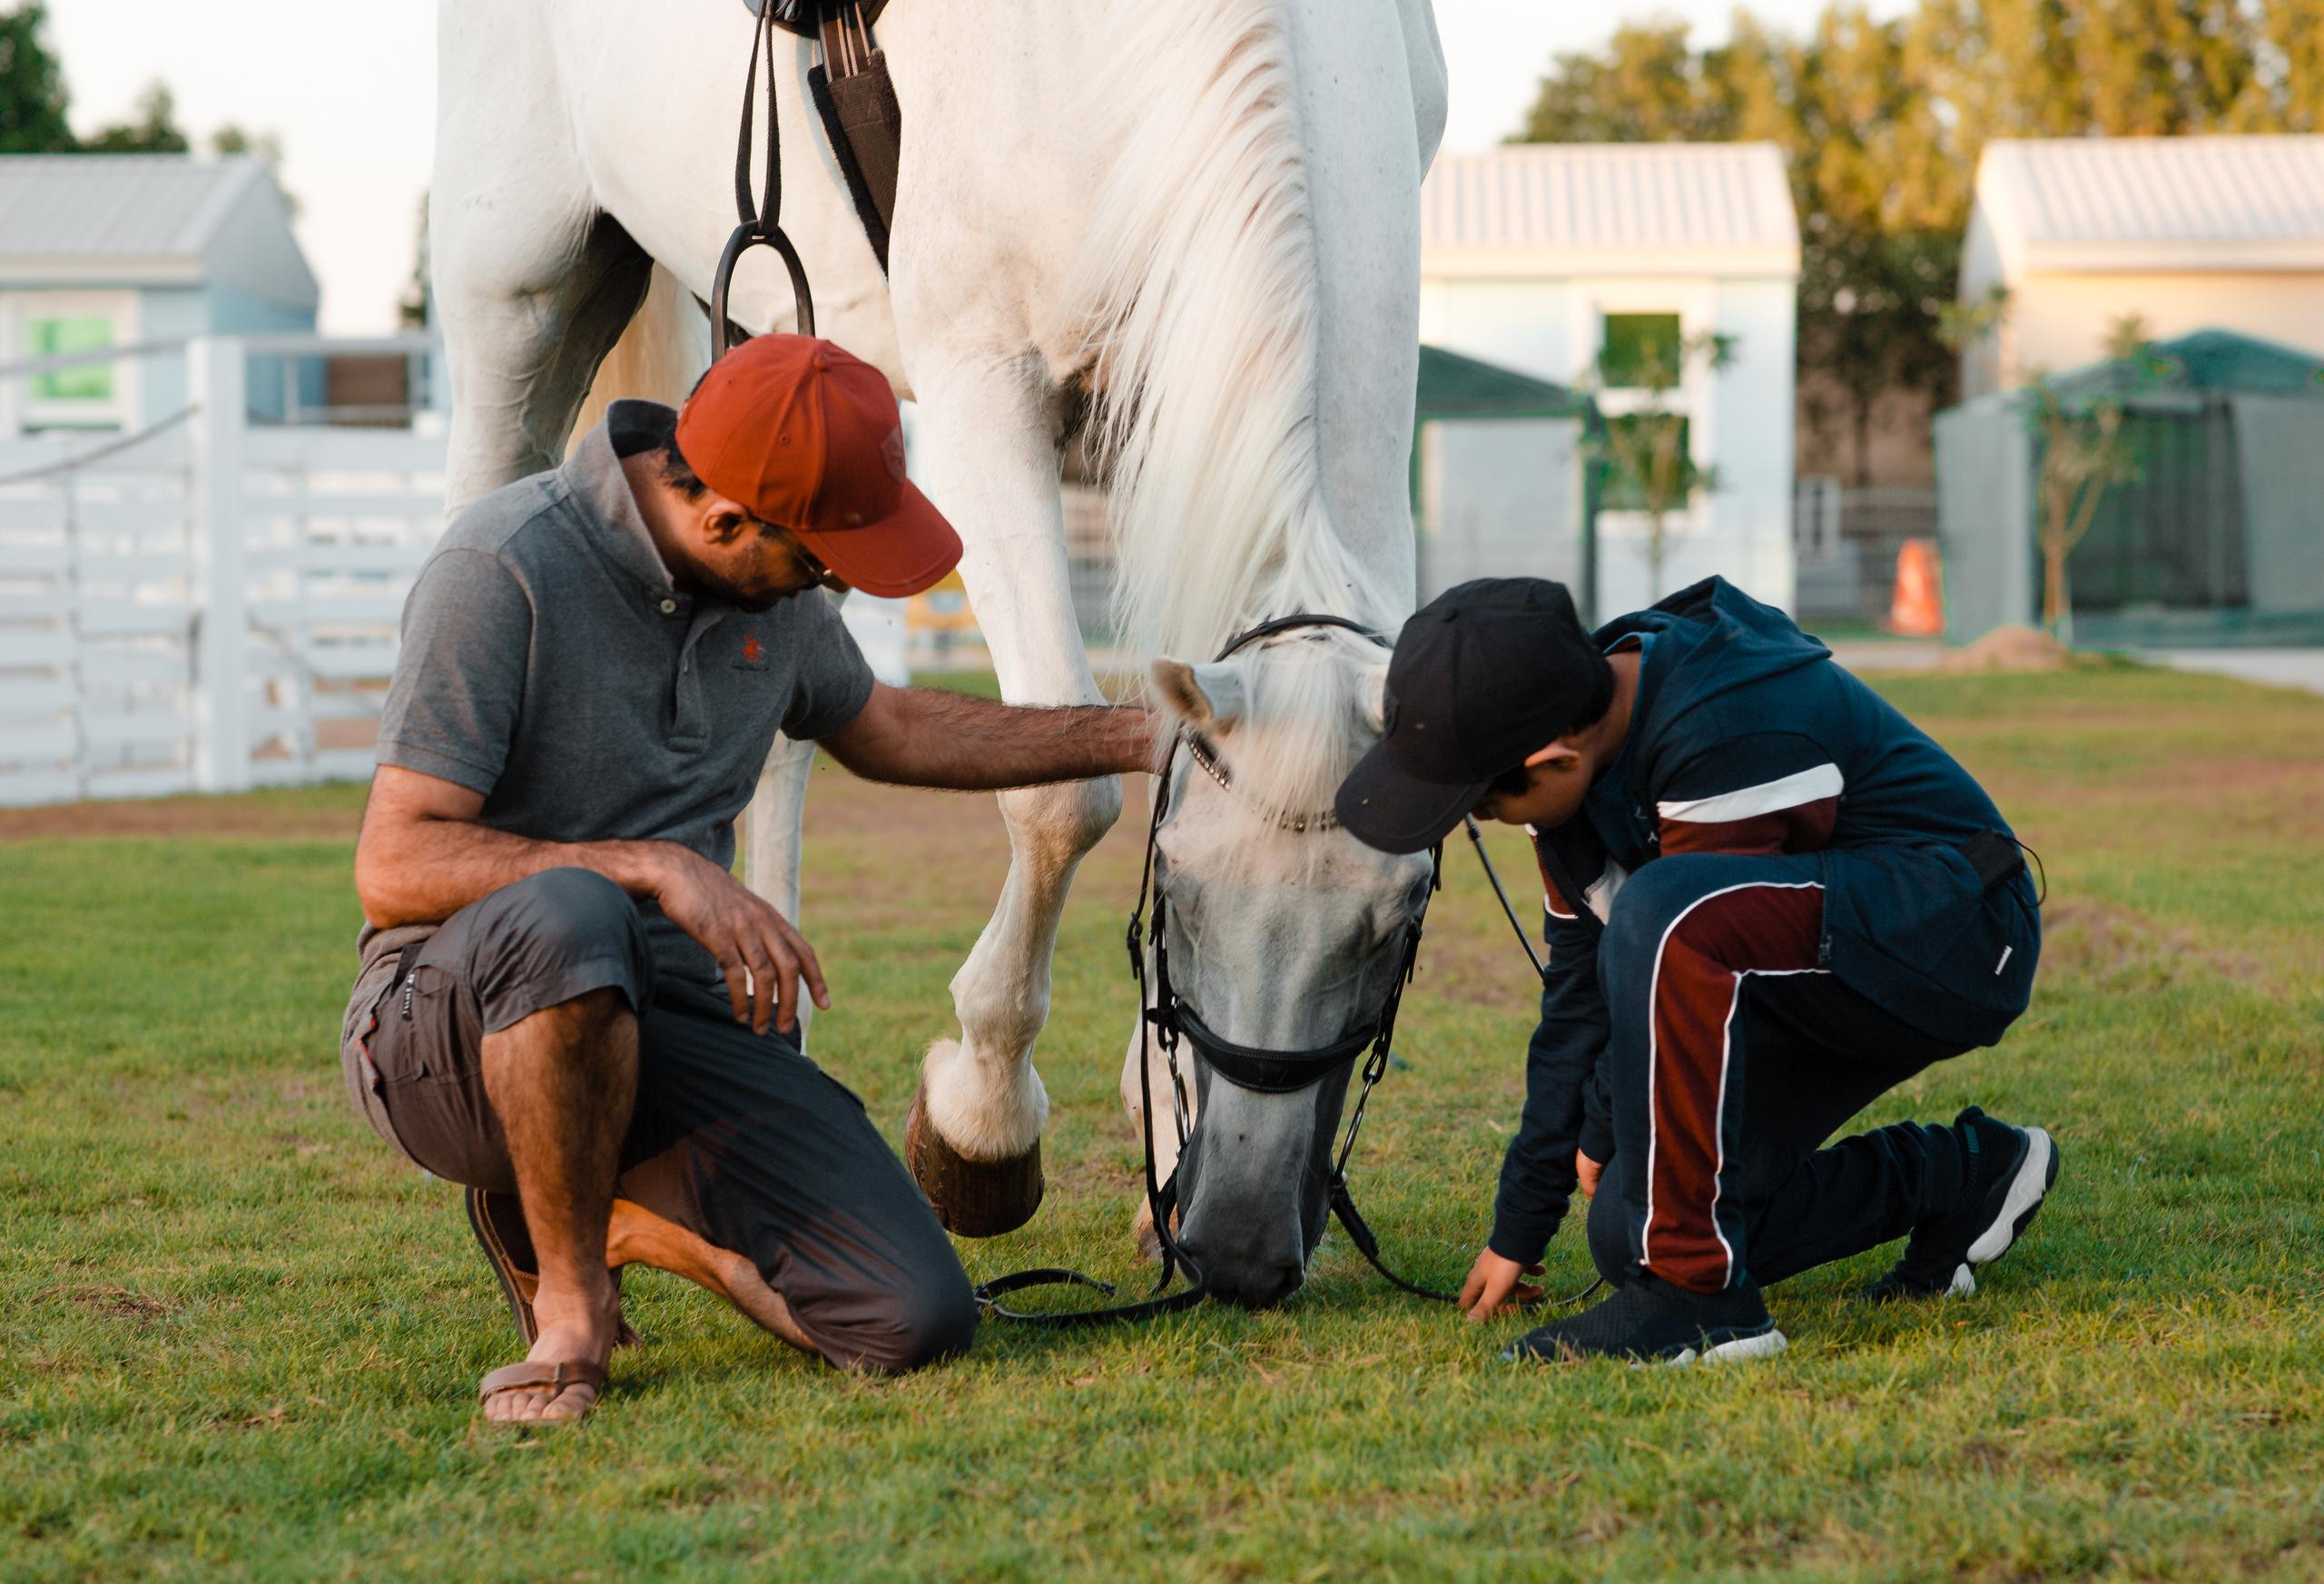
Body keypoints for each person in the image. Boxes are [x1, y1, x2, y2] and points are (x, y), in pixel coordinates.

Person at [340, 334, 1152, 1422]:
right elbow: (393, 861)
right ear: (724, 521)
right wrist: (653, 867)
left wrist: (1141, 734)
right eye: (818, 563)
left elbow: (894, 727)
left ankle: (608, 1215)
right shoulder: (501, 566)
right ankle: (571, 1309)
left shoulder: (770, 595)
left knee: (913, 1318)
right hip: (447, 1035)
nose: (829, 590)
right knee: (574, 914)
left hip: (664, 1021)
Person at [1333, 576, 2056, 1363]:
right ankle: (1961, 1175)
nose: (1485, 822)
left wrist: (1610, 1119)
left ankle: (1702, 1302)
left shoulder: (1724, 723)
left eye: (1483, 805)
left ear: (1551, 757)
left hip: (1959, 929)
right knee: (1629, 1229)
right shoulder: (1571, 765)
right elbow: (1578, 1001)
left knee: (1661, 913)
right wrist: (1522, 1222)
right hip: (1801, 954)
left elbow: (1680, 942)